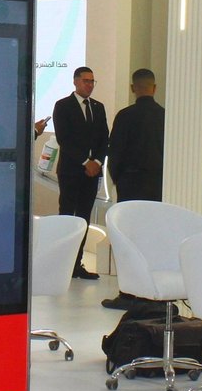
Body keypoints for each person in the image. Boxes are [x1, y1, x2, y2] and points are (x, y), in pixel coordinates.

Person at [36, 65, 107, 279]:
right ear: (75, 81)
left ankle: (77, 264)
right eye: (86, 80)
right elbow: (65, 139)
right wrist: (86, 161)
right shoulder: (63, 106)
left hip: (92, 173)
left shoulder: (98, 107)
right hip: (71, 171)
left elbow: (104, 138)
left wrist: (96, 162)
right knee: (67, 217)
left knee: (84, 218)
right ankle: (62, 264)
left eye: (92, 81)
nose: (89, 85)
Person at [106, 68, 164, 203]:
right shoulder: (164, 115)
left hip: (129, 183)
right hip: (157, 182)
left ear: (133, 88)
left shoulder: (124, 116)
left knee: (129, 222)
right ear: (154, 88)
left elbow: (115, 151)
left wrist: (118, 179)